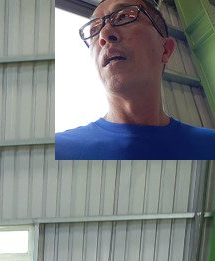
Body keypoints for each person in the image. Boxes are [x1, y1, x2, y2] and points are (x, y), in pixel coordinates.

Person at [55, 1, 215, 159]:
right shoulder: (59, 149)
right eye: (94, 29)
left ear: (165, 50)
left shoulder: (209, 145)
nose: (104, 35)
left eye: (124, 16)